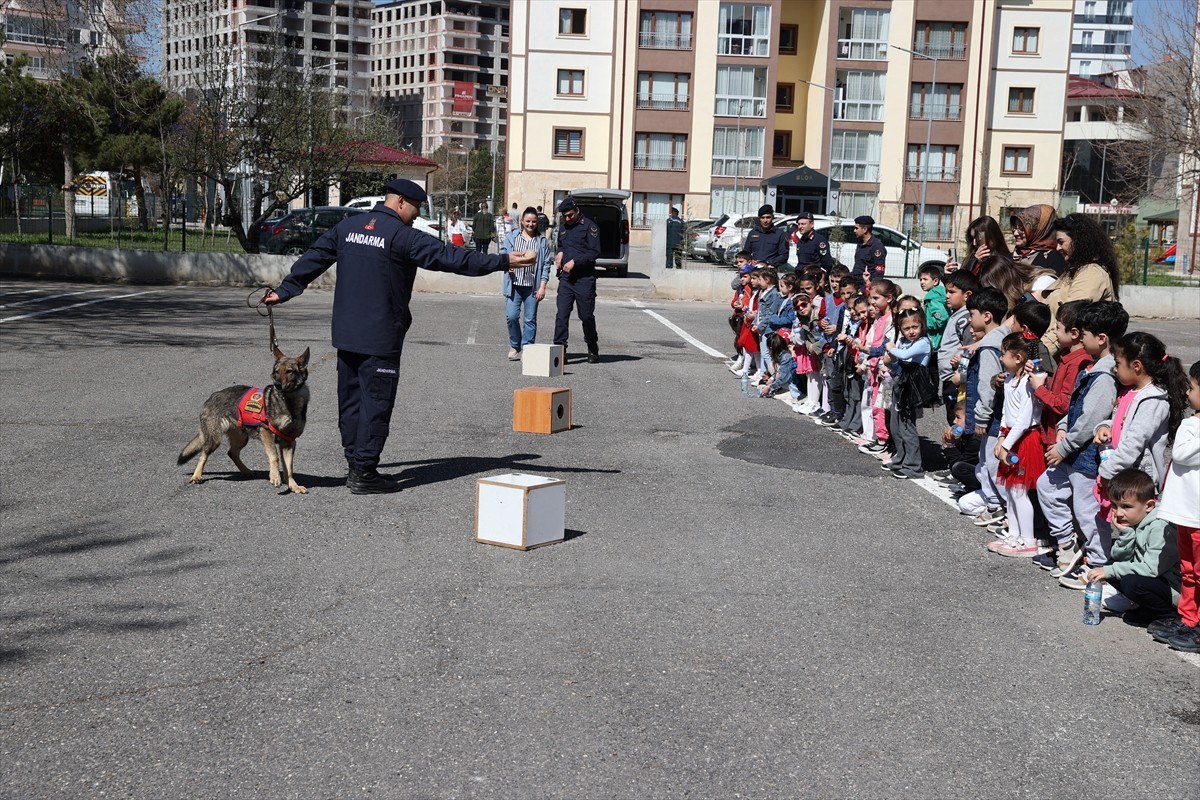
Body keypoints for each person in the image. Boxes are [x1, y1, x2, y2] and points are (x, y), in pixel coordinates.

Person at [262, 178, 534, 494]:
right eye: (415, 209)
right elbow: (452, 258)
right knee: (376, 403)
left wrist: (285, 290)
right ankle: (364, 473)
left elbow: (315, 257)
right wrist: (502, 261)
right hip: (380, 338)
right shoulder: (401, 236)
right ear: (401, 202)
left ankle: (356, 465)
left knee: (351, 404)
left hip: (347, 336)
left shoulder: (348, 228)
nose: (416, 217)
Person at [1036, 301, 1128, 586]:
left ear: (1101, 339)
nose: (1080, 338)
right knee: (1047, 486)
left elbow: (1091, 420)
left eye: (1085, 334)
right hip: (1073, 451)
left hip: (1086, 457)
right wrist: (1063, 428)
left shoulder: (1103, 375)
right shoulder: (1092, 367)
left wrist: (1063, 447)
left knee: (1088, 513)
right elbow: (1075, 408)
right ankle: (1067, 543)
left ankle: (1098, 567)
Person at [1085, 468, 1181, 625]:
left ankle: (1167, 615)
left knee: (1129, 581)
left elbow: (1151, 569)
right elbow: (1119, 559)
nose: (1119, 513)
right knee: (1112, 566)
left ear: (1149, 506)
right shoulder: (1135, 521)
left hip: (1174, 588)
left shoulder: (1160, 527)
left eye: (1126, 506)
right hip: (1155, 580)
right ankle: (1148, 608)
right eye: (1115, 506)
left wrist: (1111, 571)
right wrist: (1126, 535)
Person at [1151, 360, 1200, 652]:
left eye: (1193, 388)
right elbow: (1181, 454)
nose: (1187, 393)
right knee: (1189, 570)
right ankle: (1188, 619)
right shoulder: (1191, 424)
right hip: (1187, 513)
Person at [985, 332, 1047, 557]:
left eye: (1004, 355)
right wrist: (1001, 436)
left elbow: (1023, 419)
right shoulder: (1010, 379)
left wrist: (1007, 444)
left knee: (1020, 491)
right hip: (1010, 437)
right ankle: (1014, 534)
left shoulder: (1029, 383)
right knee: (1010, 490)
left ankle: (1028, 540)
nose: (1001, 359)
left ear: (1019, 357)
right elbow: (1006, 413)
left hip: (1025, 440)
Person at [1043, 213, 1121, 354]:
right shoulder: (1075, 270)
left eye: (1061, 242)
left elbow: (1070, 319)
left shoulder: (1092, 273)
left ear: (1078, 241)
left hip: (1076, 358)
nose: (1058, 248)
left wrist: (1038, 352)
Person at [882, 307, 932, 479]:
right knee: (896, 427)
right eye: (906, 328)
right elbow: (897, 363)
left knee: (907, 428)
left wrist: (890, 347)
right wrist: (889, 363)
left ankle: (913, 467)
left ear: (922, 326)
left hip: (912, 389)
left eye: (915, 327)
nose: (911, 331)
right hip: (900, 384)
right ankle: (900, 459)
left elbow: (904, 355)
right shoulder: (904, 341)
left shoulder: (923, 342)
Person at [552, 196, 602, 363]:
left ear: (577, 211)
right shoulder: (564, 227)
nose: (567, 219)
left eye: (570, 215)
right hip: (566, 279)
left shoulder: (590, 227)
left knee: (586, 316)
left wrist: (575, 261)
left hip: (584, 279)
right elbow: (561, 244)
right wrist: (559, 253)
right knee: (562, 315)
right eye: (564, 216)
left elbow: (594, 252)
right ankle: (560, 350)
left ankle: (592, 346)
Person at [500, 206, 554, 361]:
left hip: (532, 287)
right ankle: (515, 345)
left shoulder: (541, 241)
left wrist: (542, 287)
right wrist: (507, 265)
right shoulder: (513, 237)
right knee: (511, 316)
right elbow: (504, 254)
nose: (531, 224)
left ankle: (527, 348)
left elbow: (545, 265)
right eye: (528, 221)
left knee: (530, 319)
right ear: (522, 222)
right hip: (514, 284)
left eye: (534, 221)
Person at [1010, 204, 1066, 274]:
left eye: (1022, 228)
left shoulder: (1053, 257)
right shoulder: (1012, 255)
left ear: (1038, 229)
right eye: (1014, 227)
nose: (1015, 233)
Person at [744, 204, 790, 269]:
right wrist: (751, 261)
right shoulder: (752, 233)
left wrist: (767, 263)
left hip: (770, 271)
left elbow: (784, 256)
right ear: (759, 218)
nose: (765, 221)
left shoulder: (780, 234)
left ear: (772, 217)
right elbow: (746, 253)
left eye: (768, 217)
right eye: (762, 218)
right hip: (754, 270)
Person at [850, 215, 886, 279]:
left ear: (865, 229)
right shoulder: (860, 243)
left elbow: (879, 274)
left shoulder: (877, 247)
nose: (854, 231)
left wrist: (870, 286)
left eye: (856, 228)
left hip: (866, 284)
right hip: (855, 282)